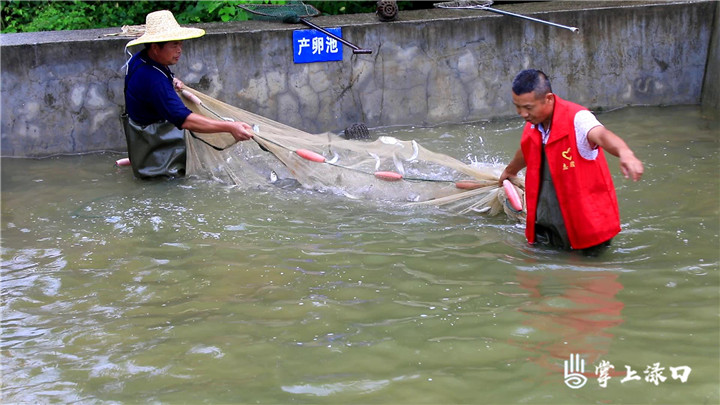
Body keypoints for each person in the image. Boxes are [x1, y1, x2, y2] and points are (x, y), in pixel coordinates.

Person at [499, 69, 644, 255]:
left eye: (528, 107)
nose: (522, 113)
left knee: (583, 278)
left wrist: (625, 153)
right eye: (517, 107)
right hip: (546, 225)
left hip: (585, 228)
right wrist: (510, 171)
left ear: (548, 99)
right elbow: (527, 149)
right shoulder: (535, 124)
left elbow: (602, 135)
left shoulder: (578, 119)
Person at [122, 10, 254, 179]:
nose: (179, 50)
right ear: (155, 47)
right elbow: (185, 120)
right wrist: (230, 127)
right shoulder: (154, 80)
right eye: (174, 45)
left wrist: (172, 79)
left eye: (181, 44)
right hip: (158, 152)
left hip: (141, 138)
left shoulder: (140, 59)